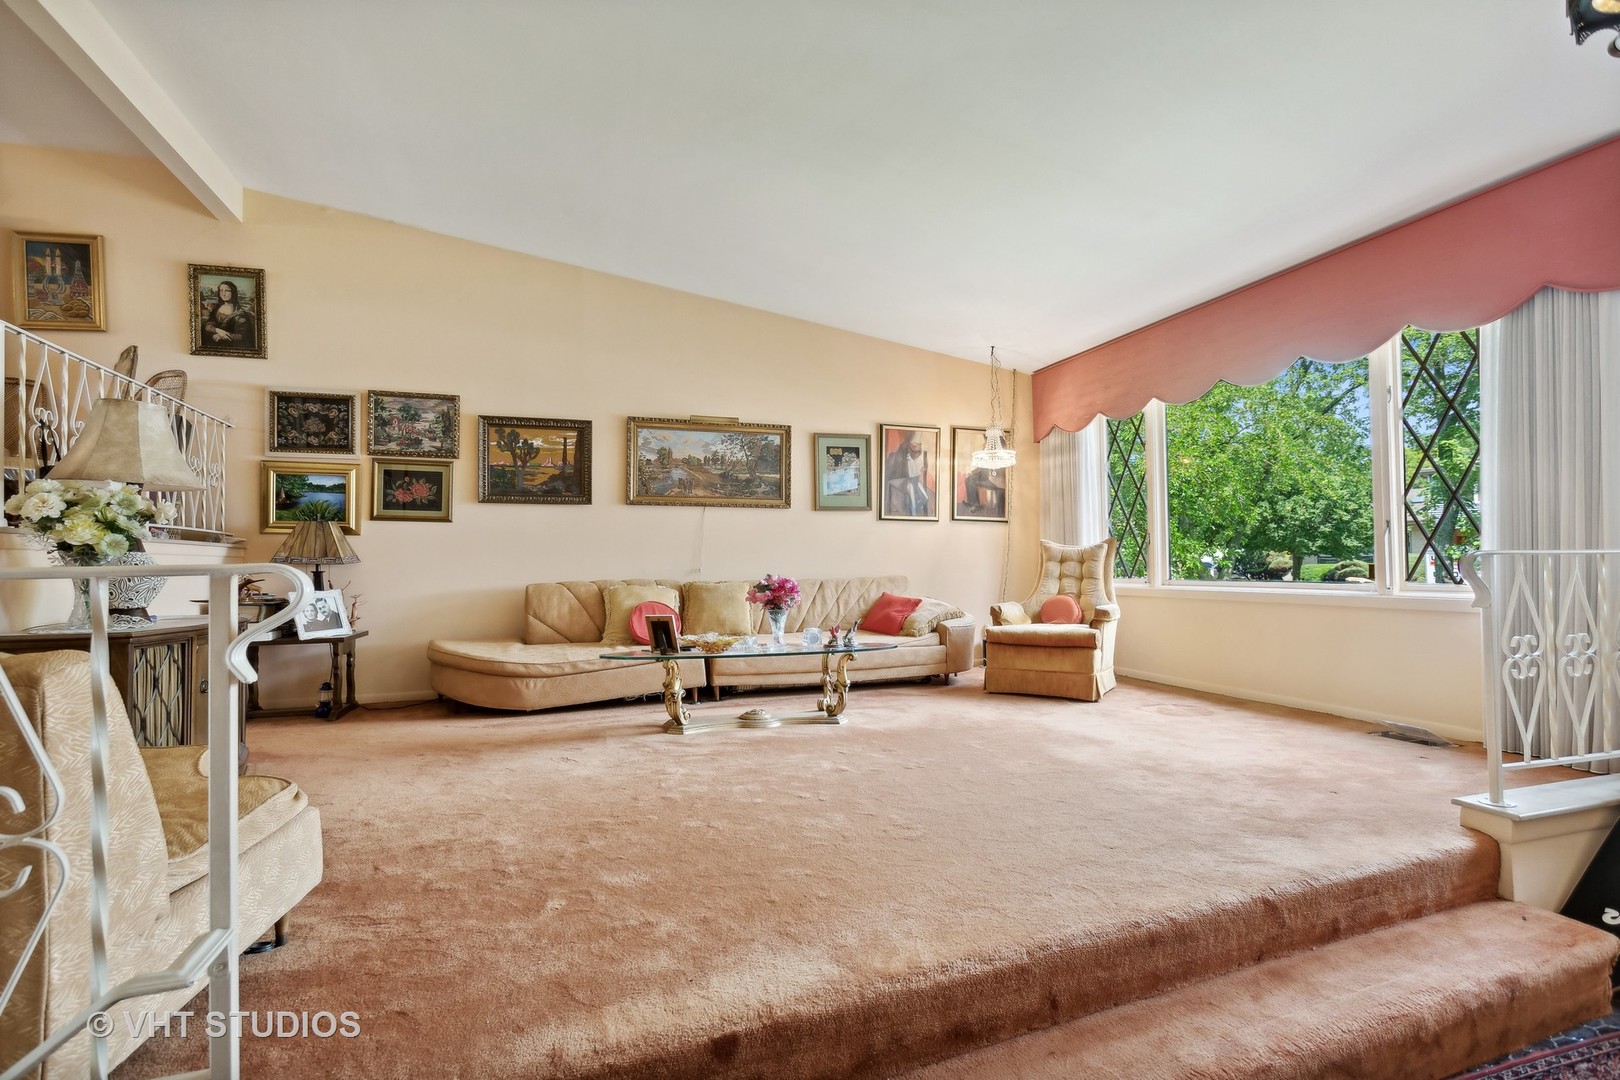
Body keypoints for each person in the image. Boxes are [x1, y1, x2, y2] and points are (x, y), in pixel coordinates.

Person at [199, 279, 258, 352]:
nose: (223, 294)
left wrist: (223, 336)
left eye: (227, 291)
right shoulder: (216, 308)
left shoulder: (240, 313)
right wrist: (217, 330)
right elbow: (207, 324)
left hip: (230, 348)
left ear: (233, 292)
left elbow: (242, 335)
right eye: (221, 290)